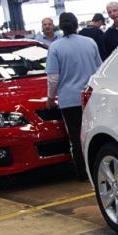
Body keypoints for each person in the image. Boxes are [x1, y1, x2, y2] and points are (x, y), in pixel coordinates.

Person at [46, 12, 102, 181]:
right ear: (77, 25)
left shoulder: (55, 47)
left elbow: (53, 78)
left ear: (60, 27)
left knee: (77, 138)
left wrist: (50, 98)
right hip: (91, 98)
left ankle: (83, 174)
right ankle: (98, 170)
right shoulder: (90, 43)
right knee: (96, 134)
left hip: (69, 100)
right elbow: (100, 69)